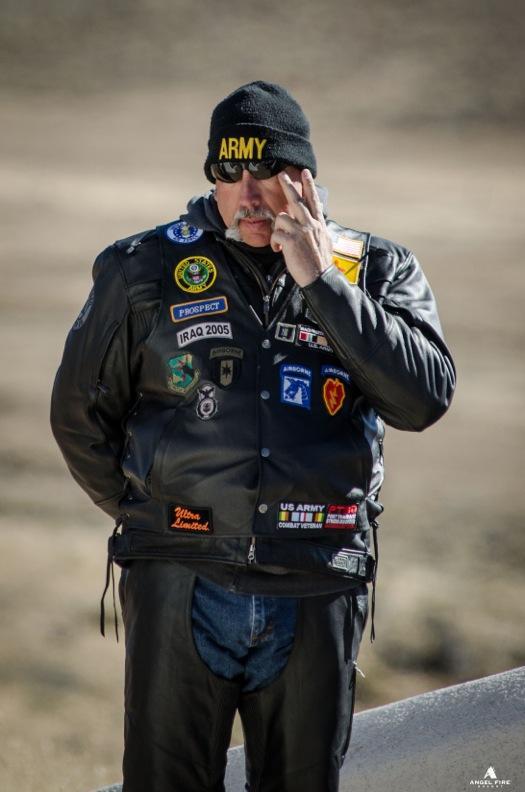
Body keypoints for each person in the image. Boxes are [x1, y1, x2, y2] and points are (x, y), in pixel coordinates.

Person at [50, 81, 456, 792]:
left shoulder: (376, 268)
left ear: (304, 177)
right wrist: (153, 512)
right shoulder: (142, 265)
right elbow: (79, 414)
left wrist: (322, 282)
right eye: (228, 170)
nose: (248, 191)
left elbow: (421, 400)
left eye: (266, 169)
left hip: (317, 577)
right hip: (181, 573)